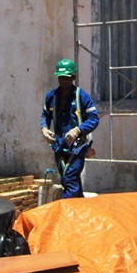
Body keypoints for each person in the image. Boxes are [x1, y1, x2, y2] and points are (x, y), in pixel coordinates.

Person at [41, 58, 99, 199]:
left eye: (67, 78)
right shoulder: (51, 96)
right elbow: (45, 115)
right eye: (61, 78)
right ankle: (79, 210)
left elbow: (94, 119)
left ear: (73, 77)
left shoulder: (82, 96)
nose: (64, 81)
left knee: (69, 178)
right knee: (68, 179)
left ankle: (66, 211)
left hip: (77, 146)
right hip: (59, 145)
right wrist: (44, 128)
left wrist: (78, 130)